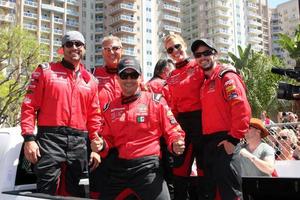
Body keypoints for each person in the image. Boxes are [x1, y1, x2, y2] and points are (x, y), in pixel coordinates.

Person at [21, 31, 101, 197]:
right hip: (50, 139)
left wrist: (95, 146)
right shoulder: (45, 71)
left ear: (84, 48)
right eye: (69, 44)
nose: (74, 47)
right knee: (46, 191)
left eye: (78, 44)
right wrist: (29, 139)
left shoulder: (91, 81)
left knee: (78, 193)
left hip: (79, 142)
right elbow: (28, 106)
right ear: (62, 48)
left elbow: (94, 116)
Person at [92, 57, 185, 200]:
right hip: (120, 168)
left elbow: (172, 130)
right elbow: (107, 139)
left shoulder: (156, 101)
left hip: (147, 168)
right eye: (124, 75)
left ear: (140, 77)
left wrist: (176, 142)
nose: (129, 80)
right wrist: (101, 144)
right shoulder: (110, 108)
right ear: (117, 78)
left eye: (133, 75)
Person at [191, 39, 251, 200]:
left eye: (206, 53)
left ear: (215, 54)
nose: (202, 57)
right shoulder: (203, 83)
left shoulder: (227, 76)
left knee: (230, 194)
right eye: (198, 55)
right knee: (213, 193)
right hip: (209, 144)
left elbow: (242, 108)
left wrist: (233, 139)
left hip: (226, 140)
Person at [164, 33, 206, 200]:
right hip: (183, 125)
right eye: (170, 50)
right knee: (180, 172)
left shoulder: (198, 65)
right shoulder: (171, 76)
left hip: (202, 122)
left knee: (204, 172)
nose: (175, 51)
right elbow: (173, 107)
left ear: (184, 45)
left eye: (177, 46)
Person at [89, 35, 123, 199]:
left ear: (121, 51)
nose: (112, 52)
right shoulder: (92, 75)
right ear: (102, 52)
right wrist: (94, 147)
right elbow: (86, 111)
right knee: (99, 191)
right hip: (101, 144)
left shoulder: (131, 75)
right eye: (107, 49)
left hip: (125, 144)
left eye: (115, 48)